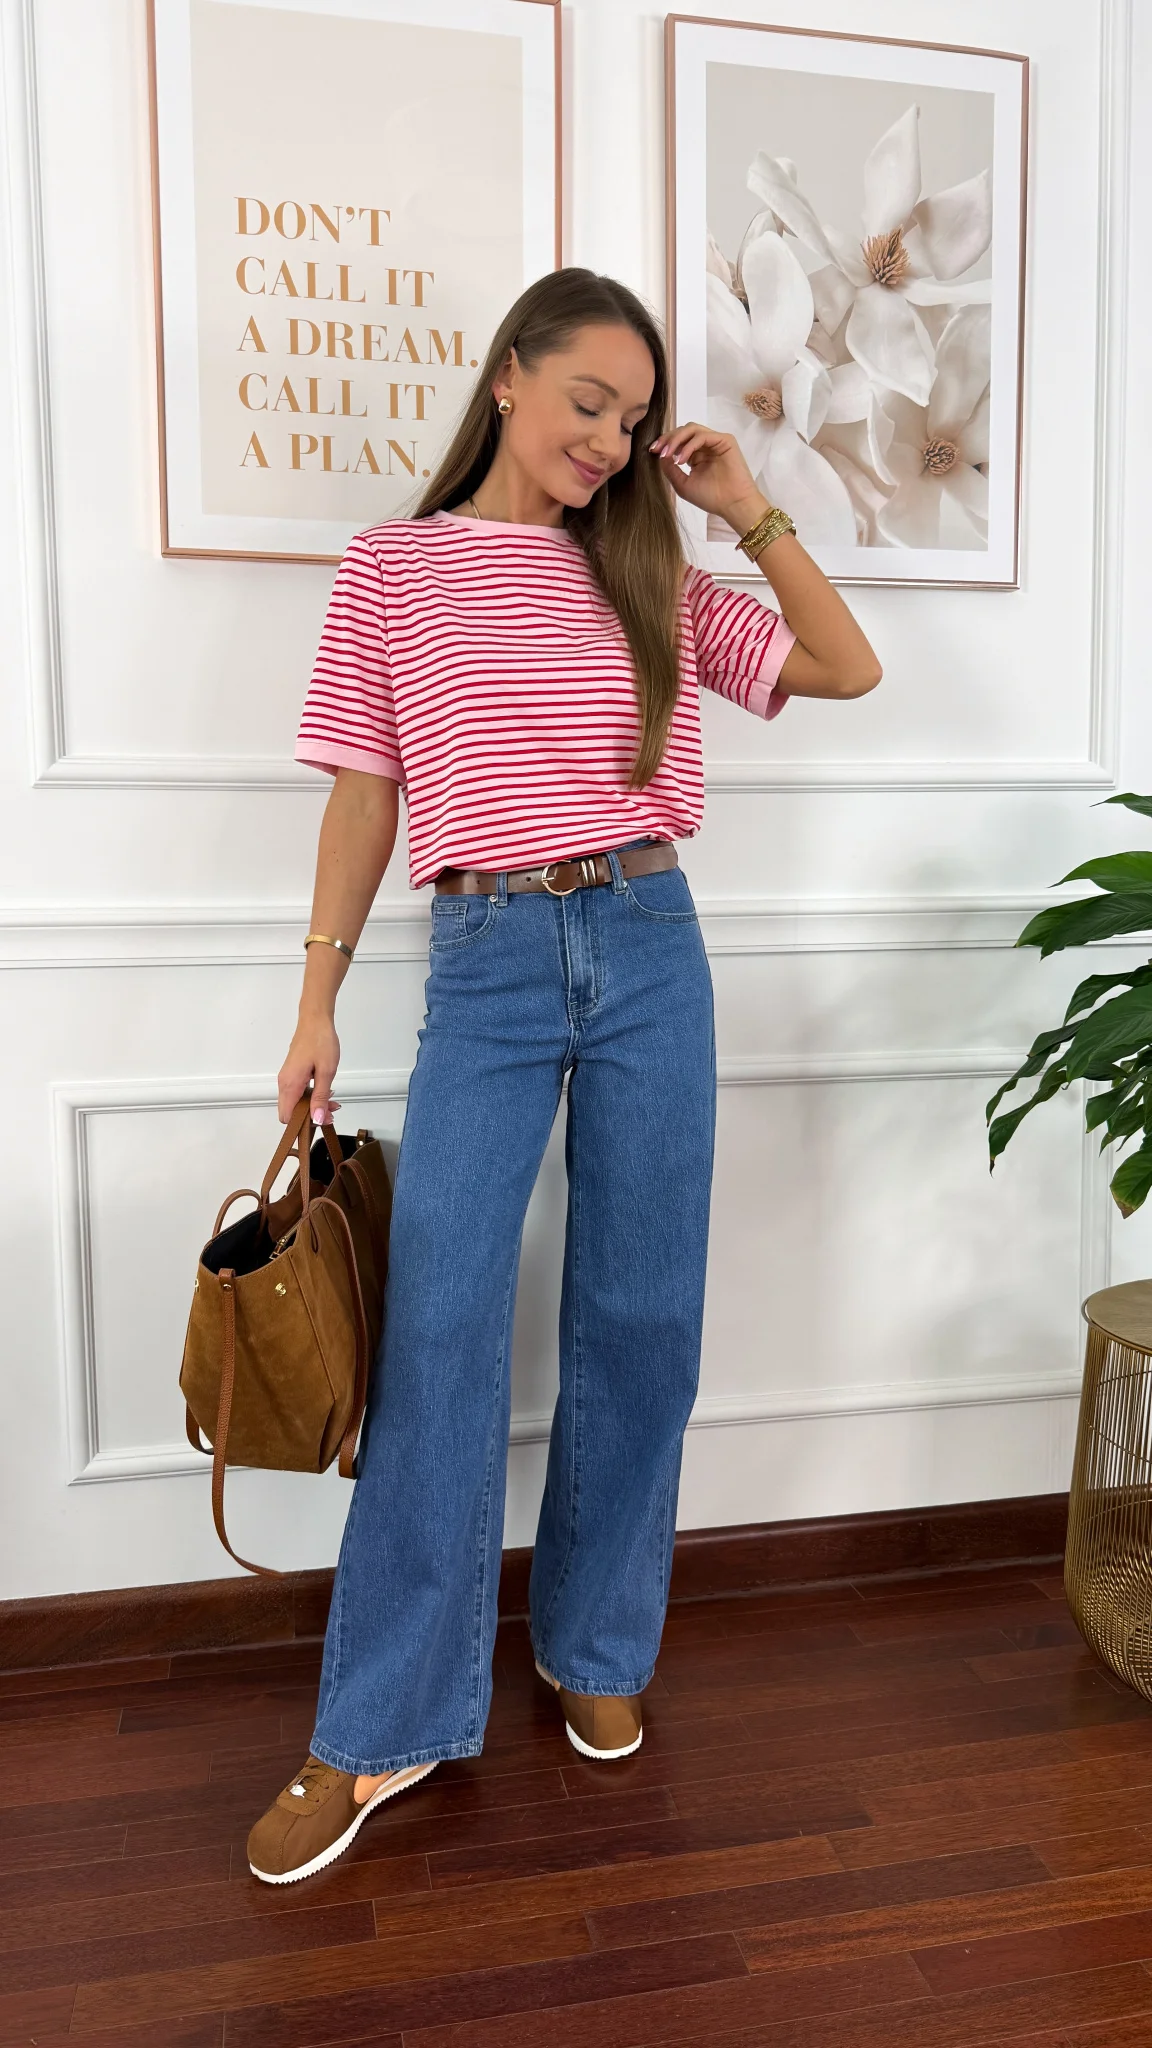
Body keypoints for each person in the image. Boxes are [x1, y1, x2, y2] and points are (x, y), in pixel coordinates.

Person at [246, 267, 880, 1885]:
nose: (608, 439)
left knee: (641, 1315)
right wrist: (315, 1002)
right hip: (487, 956)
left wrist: (744, 507)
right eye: (588, 401)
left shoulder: (648, 561)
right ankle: (380, 1722)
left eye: (634, 417)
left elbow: (845, 666)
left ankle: (597, 1645)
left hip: (651, 939)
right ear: (510, 378)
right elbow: (364, 796)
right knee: (441, 1326)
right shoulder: (394, 568)